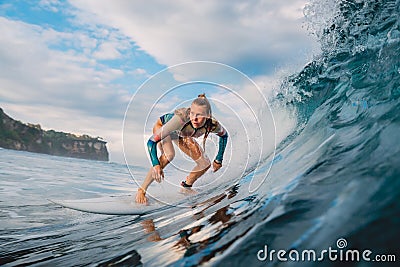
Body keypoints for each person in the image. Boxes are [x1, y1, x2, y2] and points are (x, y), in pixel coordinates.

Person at [135, 94, 228, 204]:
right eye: (192, 113)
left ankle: (186, 187)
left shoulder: (213, 125)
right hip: (164, 127)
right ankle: (141, 190)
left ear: (208, 115)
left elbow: (224, 136)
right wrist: (156, 164)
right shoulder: (180, 119)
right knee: (169, 155)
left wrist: (219, 159)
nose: (194, 118)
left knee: (205, 163)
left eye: (199, 115)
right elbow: (151, 142)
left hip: (182, 134)